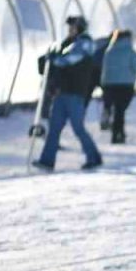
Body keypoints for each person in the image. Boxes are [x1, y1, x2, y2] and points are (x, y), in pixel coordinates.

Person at [34, 15, 103, 172]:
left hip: (75, 94)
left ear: (80, 29)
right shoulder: (70, 45)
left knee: (78, 127)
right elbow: (61, 60)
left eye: (73, 28)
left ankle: (94, 157)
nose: (70, 31)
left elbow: (69, 60)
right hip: (62, 92)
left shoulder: (84, 44)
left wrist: (55, 58)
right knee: (55, 127)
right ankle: (47, 160)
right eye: (69, 28)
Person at [99, 29, 136, 144]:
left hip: (109, 85)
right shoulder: (130, 51)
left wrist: (103, 85)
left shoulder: (109, 50)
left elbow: (104, 68)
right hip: (125, 85)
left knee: (117, 110)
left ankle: (116, 129)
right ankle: (118, 134)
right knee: (120, 110)